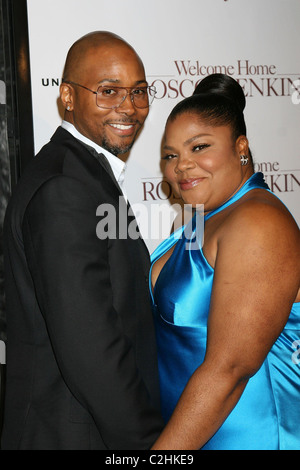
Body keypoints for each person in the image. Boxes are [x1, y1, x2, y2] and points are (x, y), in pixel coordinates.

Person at [1, 31, 164, 450]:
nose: (129, 107)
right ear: (68, 97)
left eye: (139, 91)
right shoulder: (66, 188)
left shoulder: (83, 175)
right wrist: (152, 447)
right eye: (108, 91)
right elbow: (93, 351)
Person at [150, 73, 300, 450]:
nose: (182, 166)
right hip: (194, 431)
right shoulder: (196, 219)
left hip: (251, 435)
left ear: (242, 147)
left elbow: (231, 370)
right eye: (171, 155)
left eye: (199, 148)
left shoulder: (258, 221)